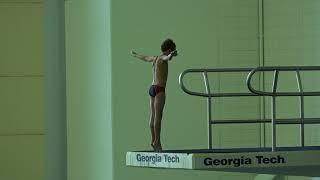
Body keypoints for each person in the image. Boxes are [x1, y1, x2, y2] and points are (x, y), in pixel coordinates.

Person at [131, 39, 178, 152]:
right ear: (169, 49)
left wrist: (135, 54)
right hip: (159, 89)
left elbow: (145, 58)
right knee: (158, 117)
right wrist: (171, 55)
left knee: (152, 116)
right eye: (172, 50)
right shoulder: (163, 58)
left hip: (152, 88)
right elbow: (167, 58)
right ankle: (157, 142)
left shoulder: (155, 58)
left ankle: (153, 139)